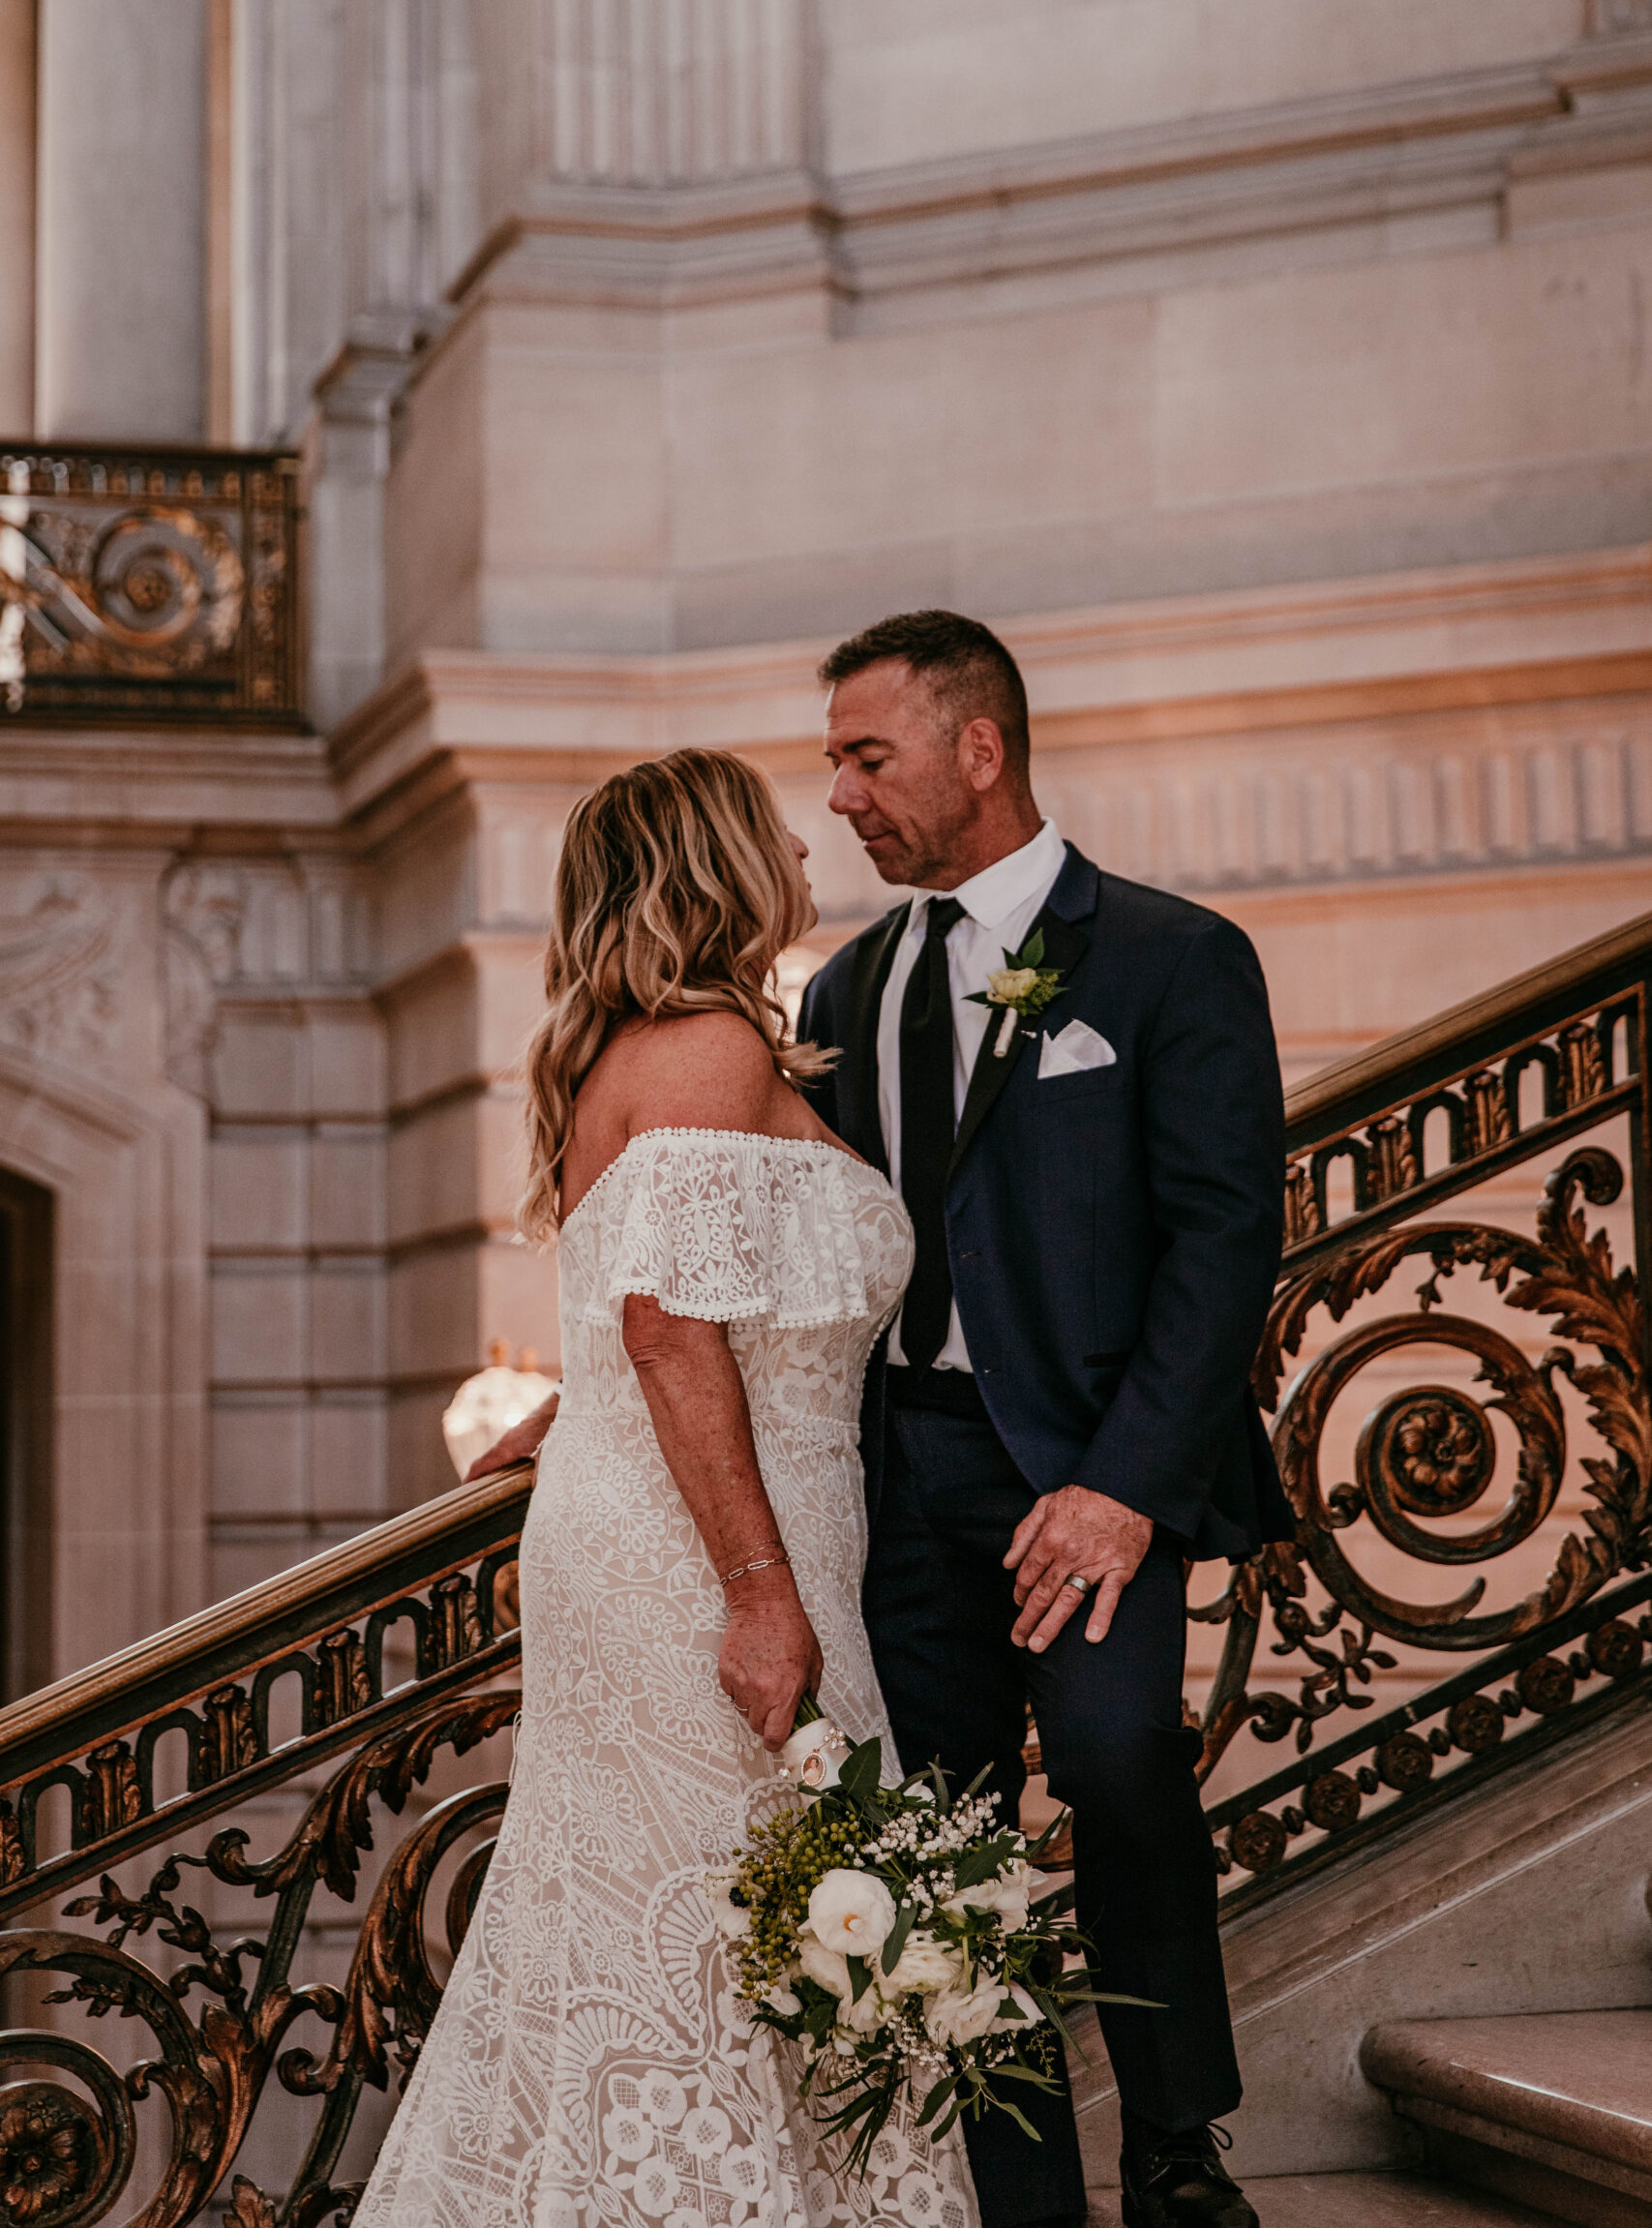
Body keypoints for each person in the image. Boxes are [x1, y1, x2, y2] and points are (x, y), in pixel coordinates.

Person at [355, 747, 978, 2228]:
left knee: (703, 1922)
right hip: (709, 1558)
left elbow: (669, 1306)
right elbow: (669, 1321)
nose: (803, 840)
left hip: (692, 1518)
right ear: (715, 860)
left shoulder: (639, 1050)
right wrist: (760, 1592)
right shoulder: (707, 1045)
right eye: (774, 823)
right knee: (713, 1930)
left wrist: (577, 1400)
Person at [796, 612, 1290, 2228]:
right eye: (835, 765)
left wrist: (1126, 1486)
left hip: (1087, 1473)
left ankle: (1172, 2141)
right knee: (937, 1835)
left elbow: (1224, 1247)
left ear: (979, 747)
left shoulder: (1168, 956)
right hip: (898, 1471)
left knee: (1114, 1755)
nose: (843, 797)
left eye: (869, 758)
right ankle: (1015, 2192)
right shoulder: (850, 988)